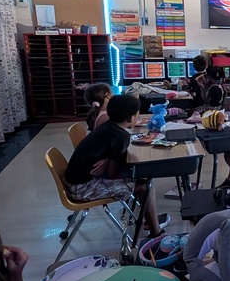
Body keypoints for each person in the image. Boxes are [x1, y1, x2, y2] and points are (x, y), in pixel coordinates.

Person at [65, 94, 165, 235]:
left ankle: (149, 220)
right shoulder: (121, 136)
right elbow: (113, 173)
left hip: (76, 180)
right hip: (83, 188)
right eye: (137, 114)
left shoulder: (108, 127)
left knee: (141, 177)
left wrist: (108, 160)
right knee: (146, 186)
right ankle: (156, 231)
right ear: (131, 118)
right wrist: (111, 162)